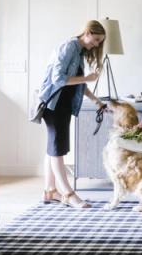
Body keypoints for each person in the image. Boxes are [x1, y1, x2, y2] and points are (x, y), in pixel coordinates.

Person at [38, 20, 108, 208]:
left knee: (53, 148)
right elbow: (58, 79)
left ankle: (49, 191)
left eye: (99, 42)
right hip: (54, 104)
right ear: (87, 32)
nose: (96, 44)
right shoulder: (70, 46)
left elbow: (78, 85)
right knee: (57, 149)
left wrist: (97, 102)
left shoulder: (78, 52)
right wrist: (87, 78)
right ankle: (68, 194)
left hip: (62, 105)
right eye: (96, 39)